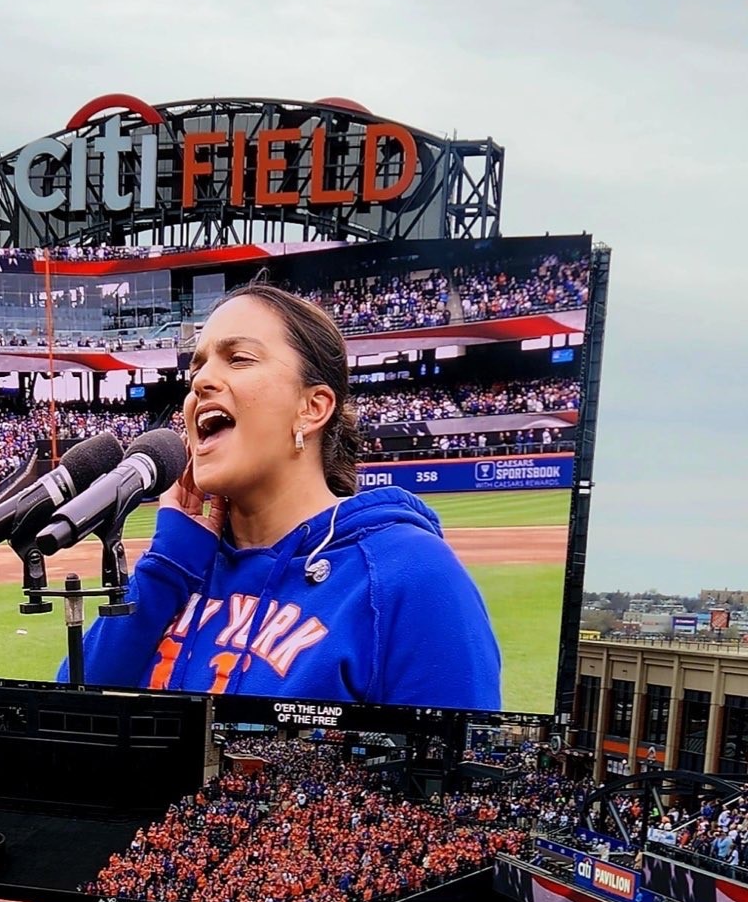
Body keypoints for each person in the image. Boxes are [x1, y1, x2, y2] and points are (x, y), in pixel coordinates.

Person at [58, 280, 501, 708]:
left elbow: (449, 773)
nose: (200, 382)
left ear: (312, 408)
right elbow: (71, 719)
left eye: (239, 358)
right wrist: (167, 568)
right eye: (197, 367)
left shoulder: (412, 575)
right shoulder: (181, 567)